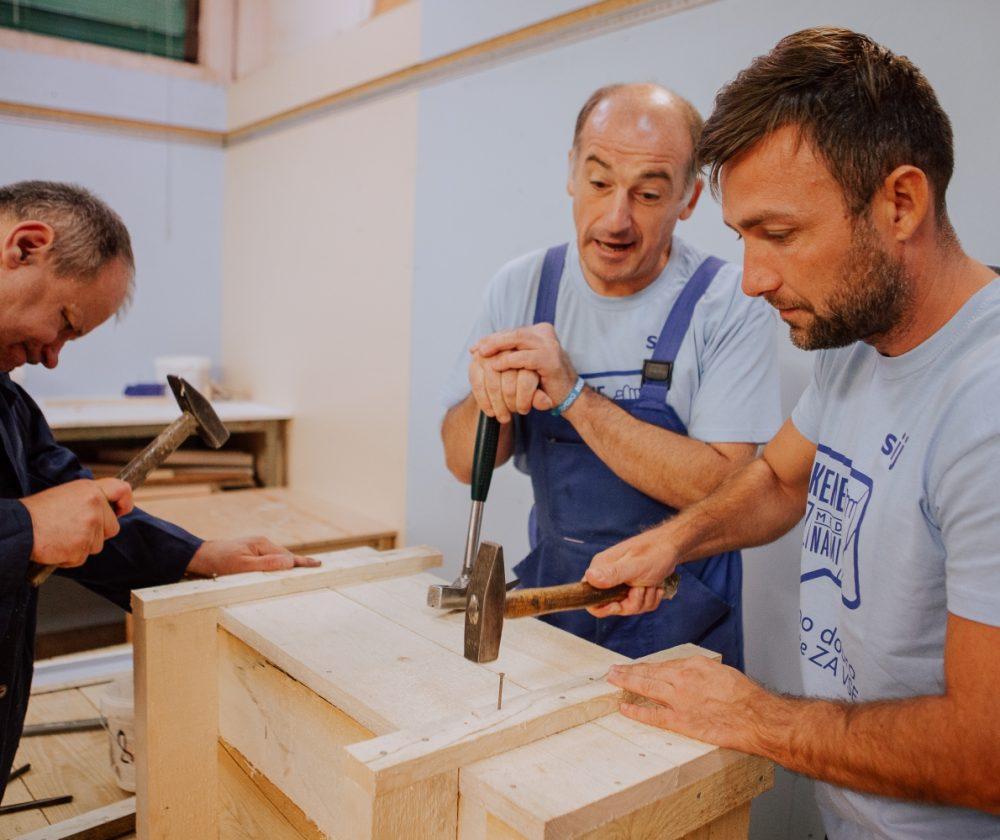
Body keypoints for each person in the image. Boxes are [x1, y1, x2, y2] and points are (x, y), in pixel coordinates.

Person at [583, 29, 1000, 838]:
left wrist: (755, 716)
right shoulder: (860, 342)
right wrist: (675, 542)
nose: (753, 278)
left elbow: (989, 755)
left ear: (900, 204)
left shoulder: (984, 409)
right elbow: (780, 478)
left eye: (778, 235)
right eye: (742, 239)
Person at [441, 84, 781, 665]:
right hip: (556, 608)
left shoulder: (730, 301)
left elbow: (728, 486)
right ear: (572, 173)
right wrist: (490, 395)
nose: (616, 219)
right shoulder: (521, 286)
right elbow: (460, 460)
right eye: (599, 183)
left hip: (683, 618)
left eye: (648, 194)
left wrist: (572, 394)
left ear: (689, 198)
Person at [0, 180, 319, 795]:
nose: (53, 357)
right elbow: (37, 522)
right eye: (64, 323)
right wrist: (26, 528)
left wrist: (198, 556)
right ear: (26, 247)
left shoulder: (8, 403)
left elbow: (83, 508)